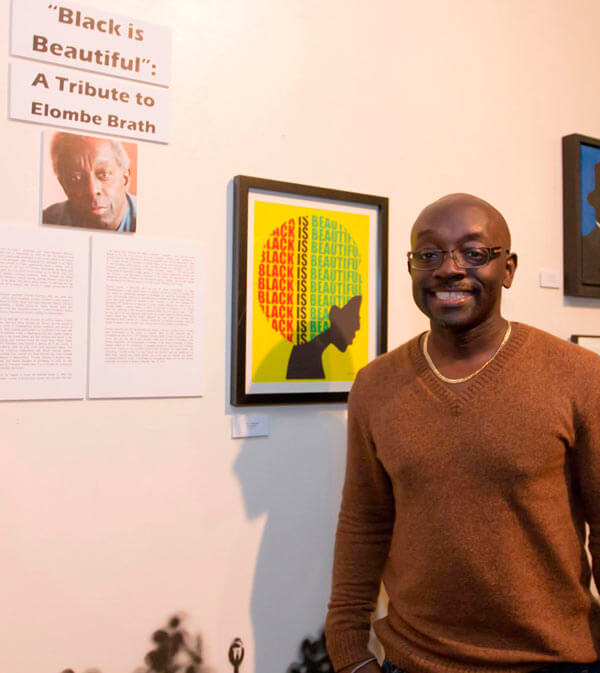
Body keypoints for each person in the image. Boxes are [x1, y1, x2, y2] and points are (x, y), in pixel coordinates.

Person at [325, 193, 600, 673]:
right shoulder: (375, 386)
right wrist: (349, 653)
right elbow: (364, 524)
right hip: (415, 661)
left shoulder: (578, 375)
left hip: (554, 661)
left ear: (508, 269)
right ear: (411, 269)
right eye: (429, 254)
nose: (449, 269)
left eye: (473, 253)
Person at [43, 132, 136, 232]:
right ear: (63, 185)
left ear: (125, 179)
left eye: (104, 174)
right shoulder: (46, 221)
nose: (92, 190)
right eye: (76, 178)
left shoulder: (147, 220)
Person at [287, 295, 362, 379]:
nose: (358, 326)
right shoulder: (302, 355)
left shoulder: (307, 353)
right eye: (353, 318)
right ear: (335, 318)